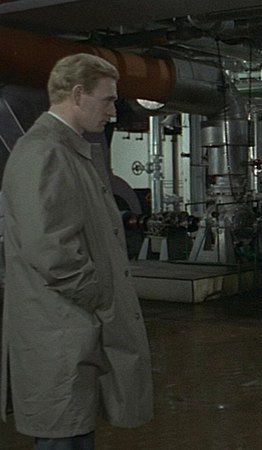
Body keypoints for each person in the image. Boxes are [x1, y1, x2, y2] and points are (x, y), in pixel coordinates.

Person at [0, 53, 154, 449]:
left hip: (71, 327)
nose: (113, 112)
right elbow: (51, 250)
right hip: (62, 330)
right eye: (107, 100)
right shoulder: (45, 153)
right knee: (63, 436)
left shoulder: (68, 150)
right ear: (78, 94)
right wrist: (98, 293)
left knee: (72, 431)